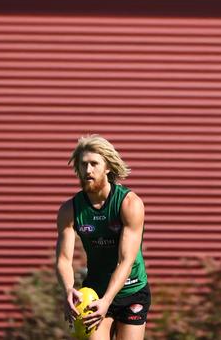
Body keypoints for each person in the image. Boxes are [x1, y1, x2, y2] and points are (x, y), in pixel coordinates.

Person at [56, 135, 150, 340]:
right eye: (83, 164)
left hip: (131, 290)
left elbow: (126, 260)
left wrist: (108, 300)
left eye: (94, 164)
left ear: (107, 167)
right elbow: (64, 259)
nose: (88, 170)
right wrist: (68, 289)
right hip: (95, 291)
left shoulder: (129, 204)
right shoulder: (69, 210)